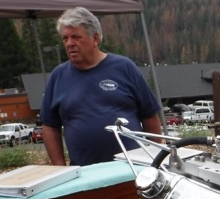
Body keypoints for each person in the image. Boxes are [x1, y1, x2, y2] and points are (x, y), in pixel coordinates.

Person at [40, 7, 162, 166]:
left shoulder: (124, 68)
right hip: (84, 173)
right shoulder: (58, 76)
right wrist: (60, 169)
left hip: (131, 168)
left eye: (76, 37)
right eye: (65, 38)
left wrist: (155, 161)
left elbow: (150, 116)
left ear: (95, 39)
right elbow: (49, 127)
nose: (69, 43)